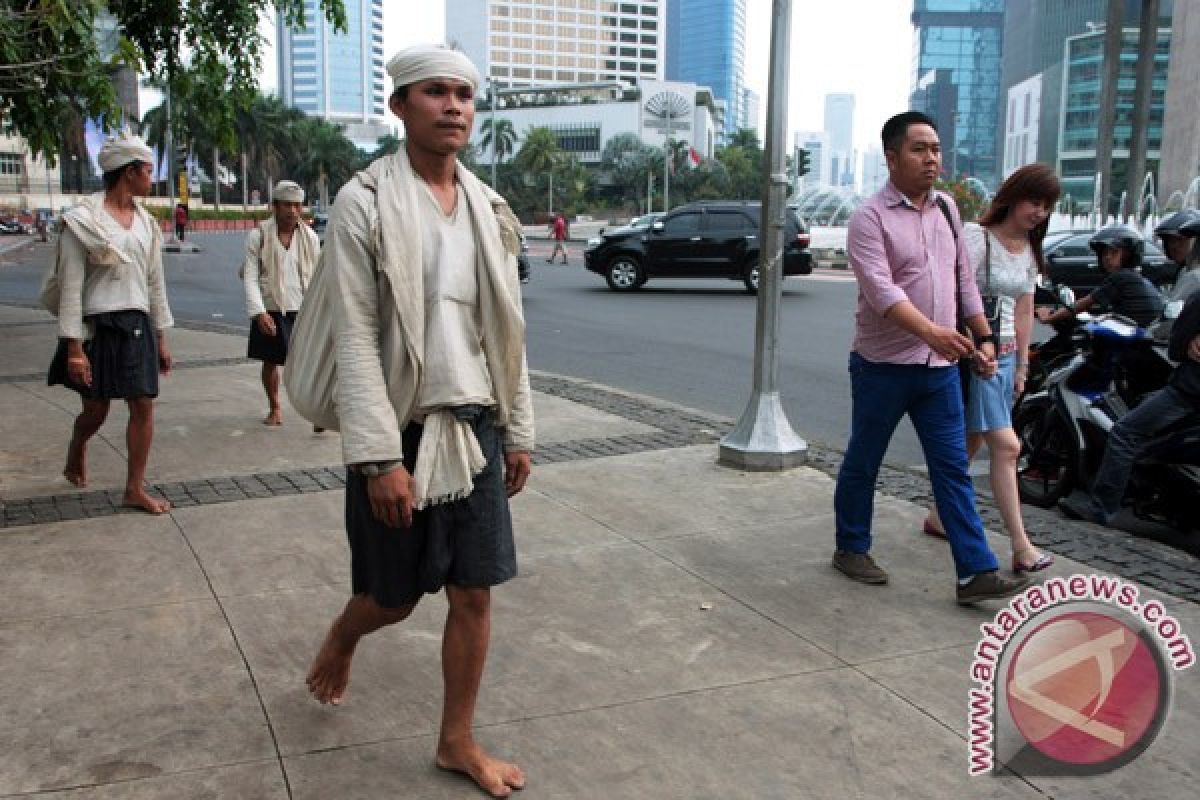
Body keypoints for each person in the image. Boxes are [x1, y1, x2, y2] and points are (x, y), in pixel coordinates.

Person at [304, 45, 533, 799]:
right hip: (398, 430)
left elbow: (506, 331)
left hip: (475, 425)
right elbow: (356, 335)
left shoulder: (489, 208)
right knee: (394, 597)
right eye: (436, 92)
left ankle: (455, 740)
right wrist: (377, 458)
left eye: (465, 93)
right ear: (401, 106)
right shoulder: (363, 202)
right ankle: (345, 634)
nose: (455, 106)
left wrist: (519, 428)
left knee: (475, 591)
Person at [833, 111, 1028, 605]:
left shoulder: (946, 210)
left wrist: (983, 339)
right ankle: (851, 547)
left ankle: (975, 572)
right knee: (865, 458)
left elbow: (964, 280)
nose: (932, 159)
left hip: (939, 371)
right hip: (883, 367)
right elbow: (882, 291)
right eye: (920, 149)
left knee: (952, 469)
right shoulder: (869, 218)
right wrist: (934, 333)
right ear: (892, 157)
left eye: (936, 149)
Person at [923, 164, 1060, 574]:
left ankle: (937, 514)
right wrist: (970, 345)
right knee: (1008, 446)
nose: (1039, 212)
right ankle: (1021, 547)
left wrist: (1021, 365)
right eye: (1034, 201)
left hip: (1002, 361)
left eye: (1047, 206)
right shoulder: (977, 237)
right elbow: (954, 293)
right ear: (1014, 196)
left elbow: (1023, 309)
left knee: (974, 442)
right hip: (974, 356)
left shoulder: (1031, 251)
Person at [45, 132, 174, 514]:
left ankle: (134, 488)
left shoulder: (147, 223)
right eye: (148, 171)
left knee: (143, 405)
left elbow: (155, 281)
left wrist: (161, 337)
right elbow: (70, 286)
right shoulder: (83, 221)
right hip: (96, 327)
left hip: (137, 323)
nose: (152, 178)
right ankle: (78, 444)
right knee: (96, 410)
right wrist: (73, 349)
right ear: (129, 173)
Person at [1059, 291, 1200, 525]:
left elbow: (1175, 347)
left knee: (1125, 433)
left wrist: (1185, 343)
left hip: (1189, 391)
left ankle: (1101, 508)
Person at [241, 179, 321, 427]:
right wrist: (258, 312)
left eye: (297, 206)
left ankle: (317, 412)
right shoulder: (259, 236)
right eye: (287, 205)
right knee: (271, 361)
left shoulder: (309, 237)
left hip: (303, 308)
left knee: (312, 363)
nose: (292, 211)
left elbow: (318, 275)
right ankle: (275, 407)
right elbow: (251, 276)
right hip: (271, 307)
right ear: (275, 206)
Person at [1036, 225, 1164, 328]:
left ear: (1129, 255)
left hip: (1132, 345)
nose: (1107, 257)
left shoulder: (1121, 277)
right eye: (1104, 253)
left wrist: (1049, 317)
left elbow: (1084, 304)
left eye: (1114, 252)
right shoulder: (1141, 280)